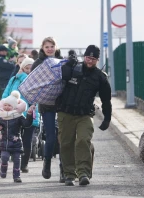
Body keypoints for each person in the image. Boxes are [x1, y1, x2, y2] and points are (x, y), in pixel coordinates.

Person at [56, 45, 112, 186]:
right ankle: (69, 174)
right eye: (88, 57)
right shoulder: (73, 68)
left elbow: (106, 100)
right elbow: (61, 76)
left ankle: (83, 173)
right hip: (66, 112)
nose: (90, 61)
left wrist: (107, 118)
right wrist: (69, 63)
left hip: (84, 114)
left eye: (93, 59)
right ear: (84, 57)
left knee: (83, 140)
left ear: (98, 60)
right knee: (66, 143)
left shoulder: (100, 77)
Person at [31, 37, 64, 181]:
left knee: (64, 138)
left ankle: (64, 169)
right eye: (47, 47)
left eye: (52, 46)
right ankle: (47, 163)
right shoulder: (38, 63)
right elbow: (31, 83)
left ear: (56, 47)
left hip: (62, 104)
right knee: (50, 137)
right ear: (42, 48)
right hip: (46, 105)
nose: (50, 49)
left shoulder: (63, 62)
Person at [2, 57, 40, 173]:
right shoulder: (14, 79)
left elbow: (35, 94)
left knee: (27, 139)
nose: (28, 70)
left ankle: (24, 164)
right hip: (14, 115)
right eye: (26, 68)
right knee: (15, 139)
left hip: (29, 114)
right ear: (22, 67)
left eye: (31, 68)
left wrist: (22, 75)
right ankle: (17, 161)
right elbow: (6, 94)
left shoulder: (35, 79)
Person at [0, 91, 34, 182]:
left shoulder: (19, 116)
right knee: (4, 157)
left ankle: (17, 176)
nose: (7, 107)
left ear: (14, 107)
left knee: (17, 160)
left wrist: (29, 115)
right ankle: (3, 170)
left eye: (9, 106)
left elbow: (26, 124)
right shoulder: (1, 116)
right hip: (4, 141)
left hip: (16, 142)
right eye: (5, 105)